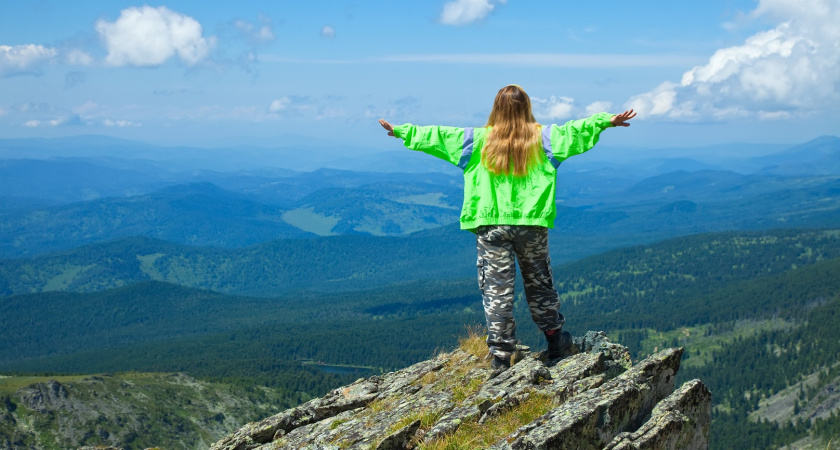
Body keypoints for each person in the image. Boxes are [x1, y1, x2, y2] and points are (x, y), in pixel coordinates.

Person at [379, 84, 635, 370]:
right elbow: (576, 130)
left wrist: (402, 131)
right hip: (531, 224)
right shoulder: (546, 139)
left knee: (496, 289)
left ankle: (501, 357)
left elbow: (437, 135)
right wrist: (605, 121)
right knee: (540, 283)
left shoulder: (475, 140)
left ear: (496, 109)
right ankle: (554, 341)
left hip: (490, 224)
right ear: (526, 107)